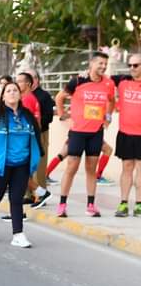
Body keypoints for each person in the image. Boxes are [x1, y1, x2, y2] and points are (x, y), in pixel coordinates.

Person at [0, 81, 42, 248]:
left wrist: (36, 156)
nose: (12, 93)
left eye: (15, 90)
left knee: (16, 199)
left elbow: (36, 136)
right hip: (0, 165)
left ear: (20, 95)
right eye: (8, 91)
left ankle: (18, 234)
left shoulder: (27, 116)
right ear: (3, 96)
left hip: (21, 165)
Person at [55, 51, 115, 217]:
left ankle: (90, 205)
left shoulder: (108, 83)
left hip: (96, 133)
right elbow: (59, 97)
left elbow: (112, 101)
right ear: (91, 64)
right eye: (100, 63)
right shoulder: (77, 80)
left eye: (105, 64)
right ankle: (62, 205)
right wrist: (64, 117)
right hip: (77, 132)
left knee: (91, 169)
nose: (103, 66)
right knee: (71, 168)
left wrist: (108, 118)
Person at [111, 53, 141, 217]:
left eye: (136, 65)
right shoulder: (122, 80)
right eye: (130, 65)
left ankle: (139, 205)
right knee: (127, 168)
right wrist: (86, 74)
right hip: (125, 133)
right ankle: (123, 204)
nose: (132, 68)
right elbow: (99, 79)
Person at [17, 72, 51, 207]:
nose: (17, 84)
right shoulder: (27, 98)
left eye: (20, 81)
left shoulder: (27, 99)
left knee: (26, 169)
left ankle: (40, 194)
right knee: (24, 170)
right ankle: (32, 194)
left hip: (28, 139)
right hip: (29, 139)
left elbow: (28, 122)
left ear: (28, 84)